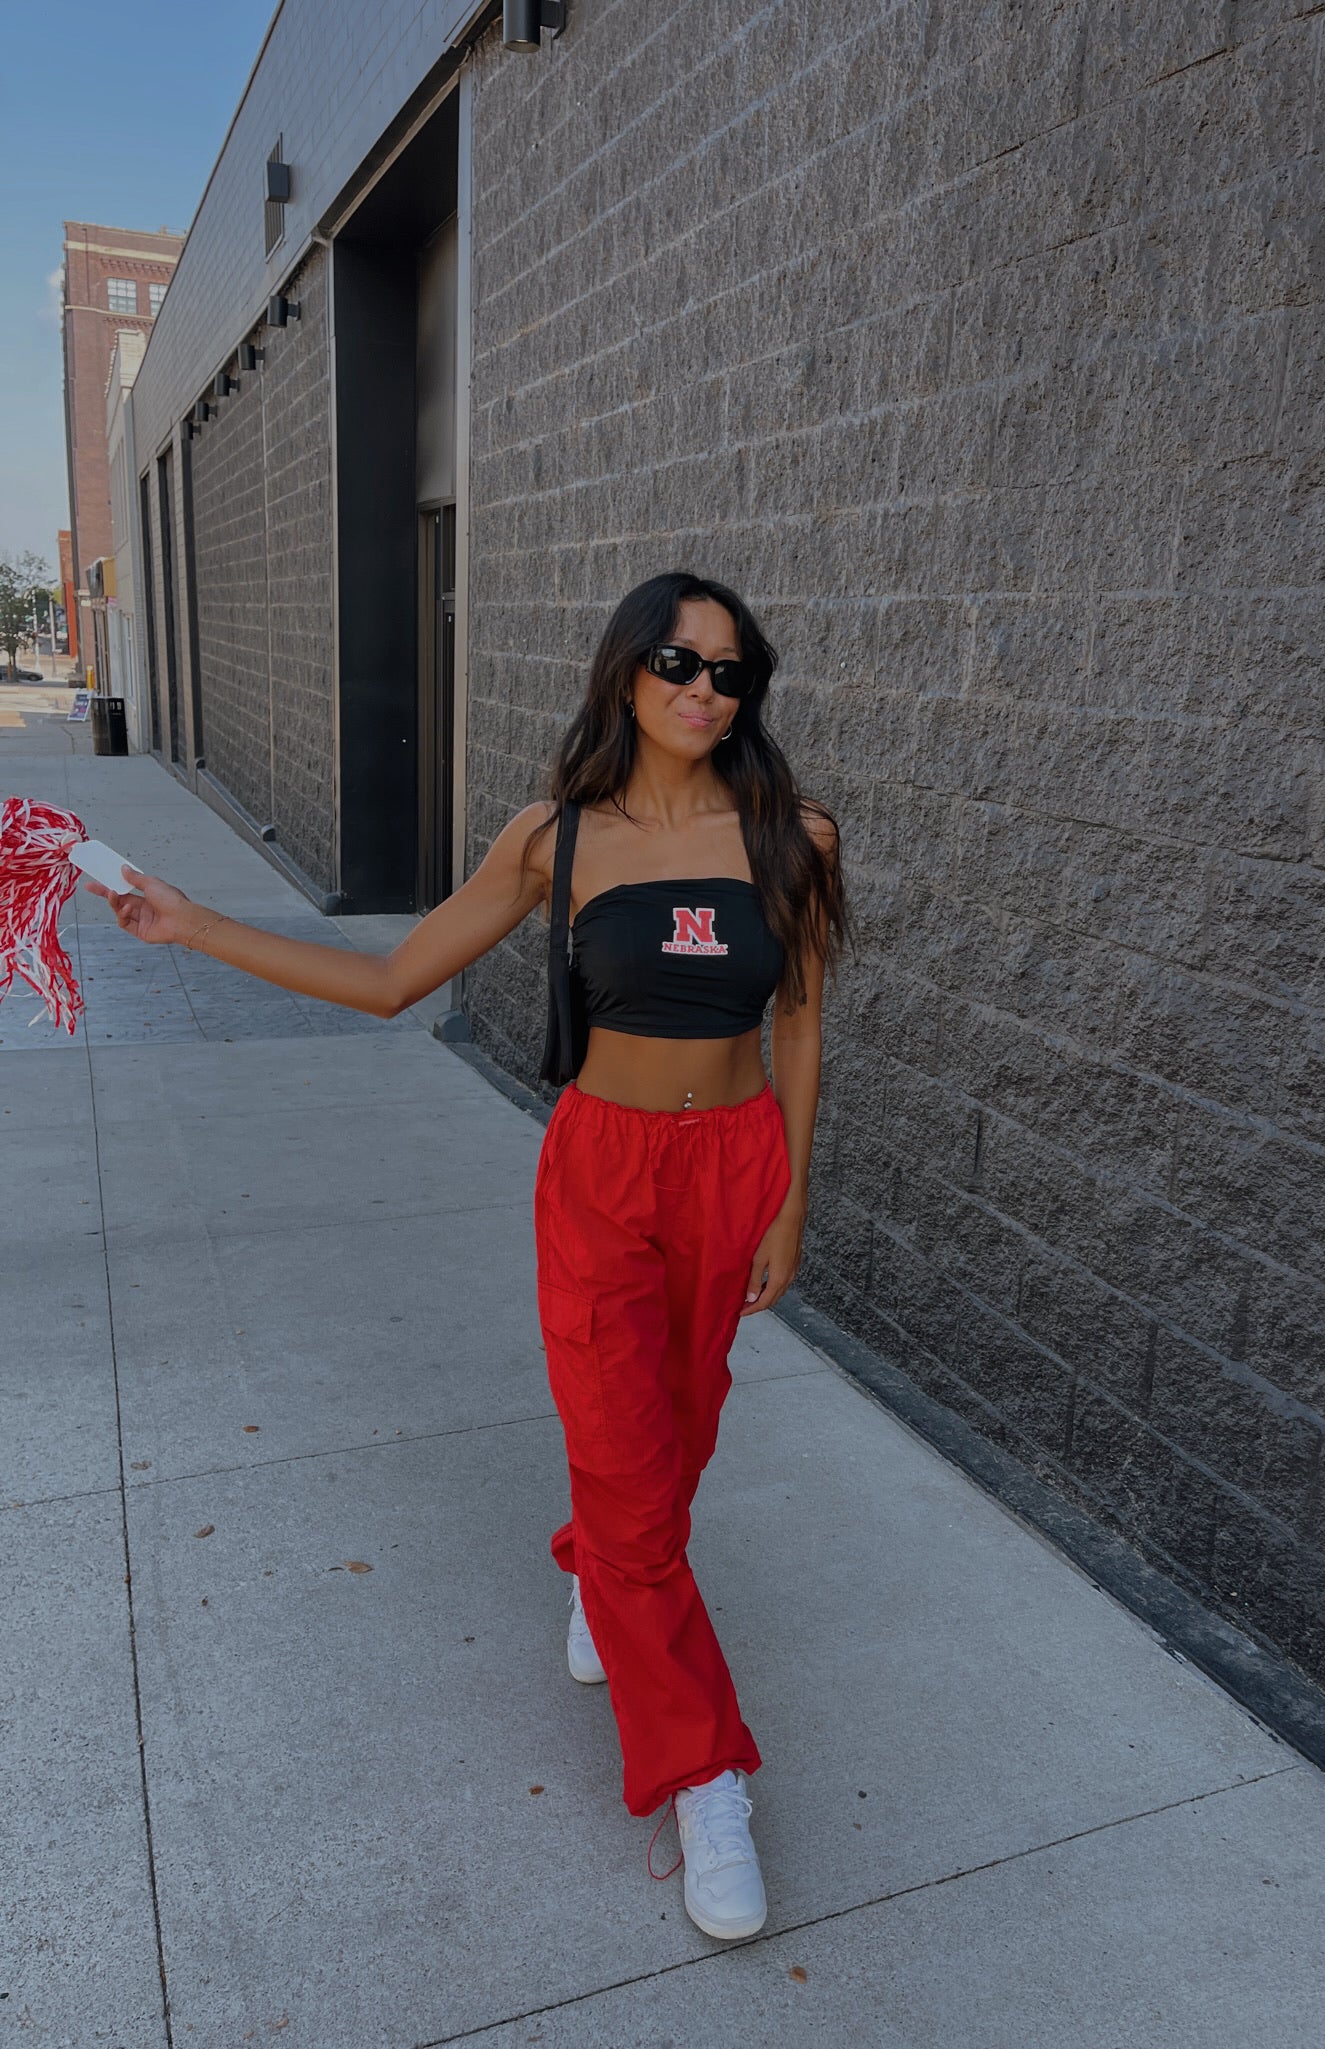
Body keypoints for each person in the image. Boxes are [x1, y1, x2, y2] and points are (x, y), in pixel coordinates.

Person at [86, 570, 848, 1943]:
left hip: (731, 1168)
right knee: (633, 1481)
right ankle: (702, 1770)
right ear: (627, 670)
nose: (702, 688)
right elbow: (391, 979)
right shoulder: (556, 839)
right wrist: (195, 923)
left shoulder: (793, 835)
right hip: (605, 1174)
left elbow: (796, 1022)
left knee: (671, 1443)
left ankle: (595, 1563)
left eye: (731, 671)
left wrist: (788, 1196)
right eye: (678, 658)